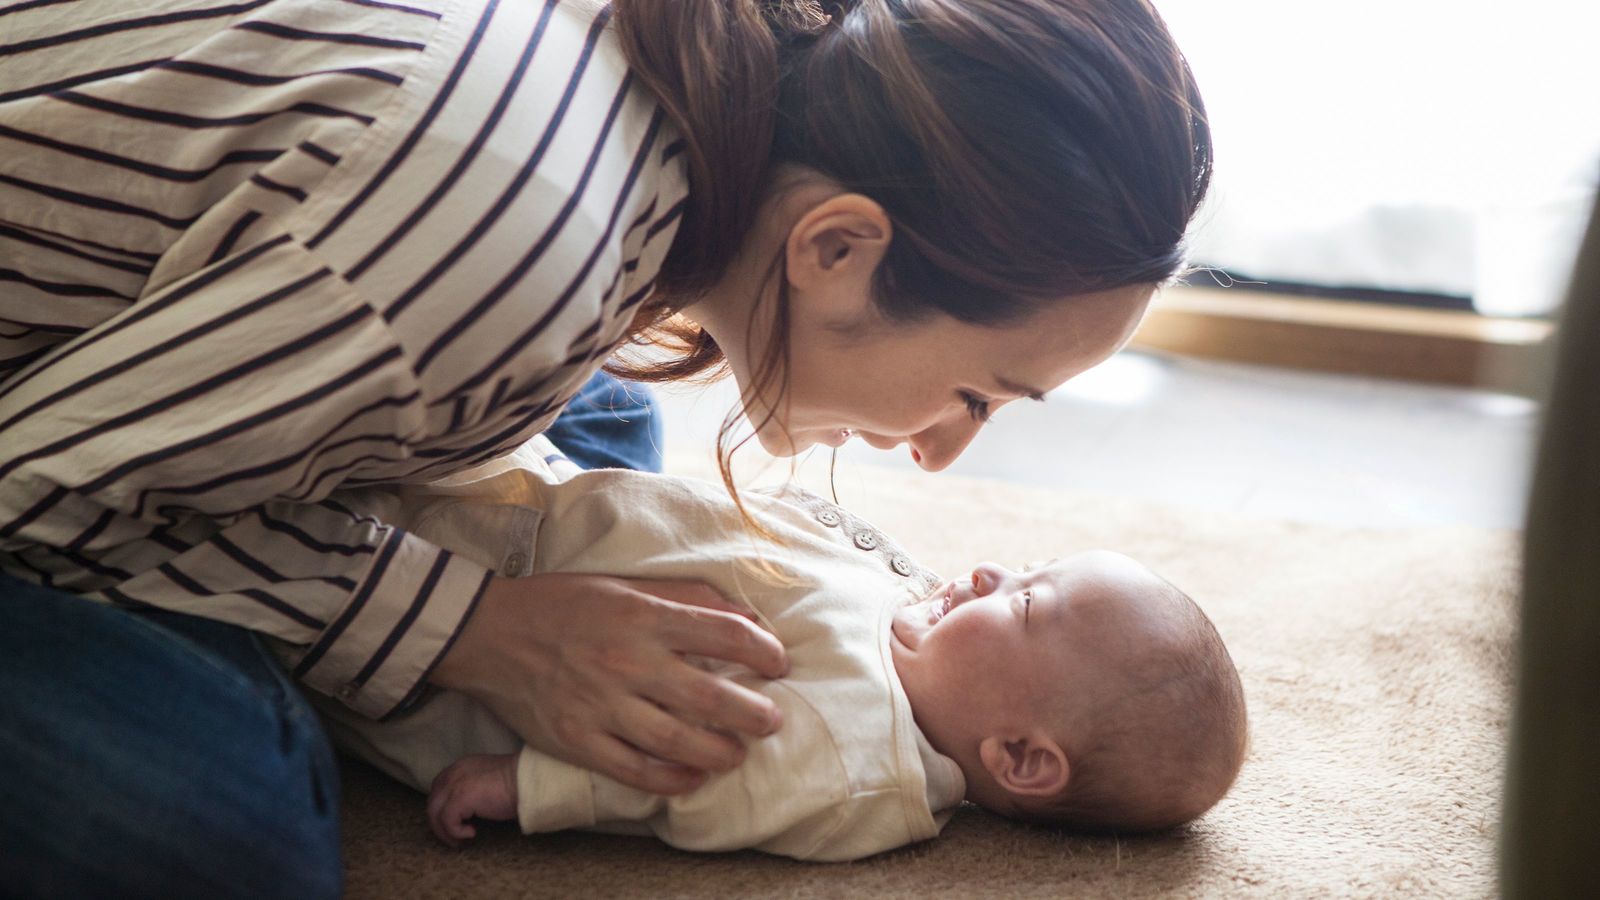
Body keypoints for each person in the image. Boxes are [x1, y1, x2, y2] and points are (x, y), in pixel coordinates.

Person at [0, 0, 1212, 892]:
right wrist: (471, 630)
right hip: (39, 433)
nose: (941, 456)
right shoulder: (514, 246)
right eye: (975, 393)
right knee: (231, 836)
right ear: (836, 248)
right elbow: (34, 479)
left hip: (203, 317)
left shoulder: (664, 120)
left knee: (612, 423)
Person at [312, 439, 1247, 860]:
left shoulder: (857, 762)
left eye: (1029, 604)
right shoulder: (921, 632)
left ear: (1019, 757)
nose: (995, 570)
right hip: (541, 499)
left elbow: (701, 779)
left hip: (469, 620)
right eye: (1030, 566)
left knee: (309, 541)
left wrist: (528, 788)